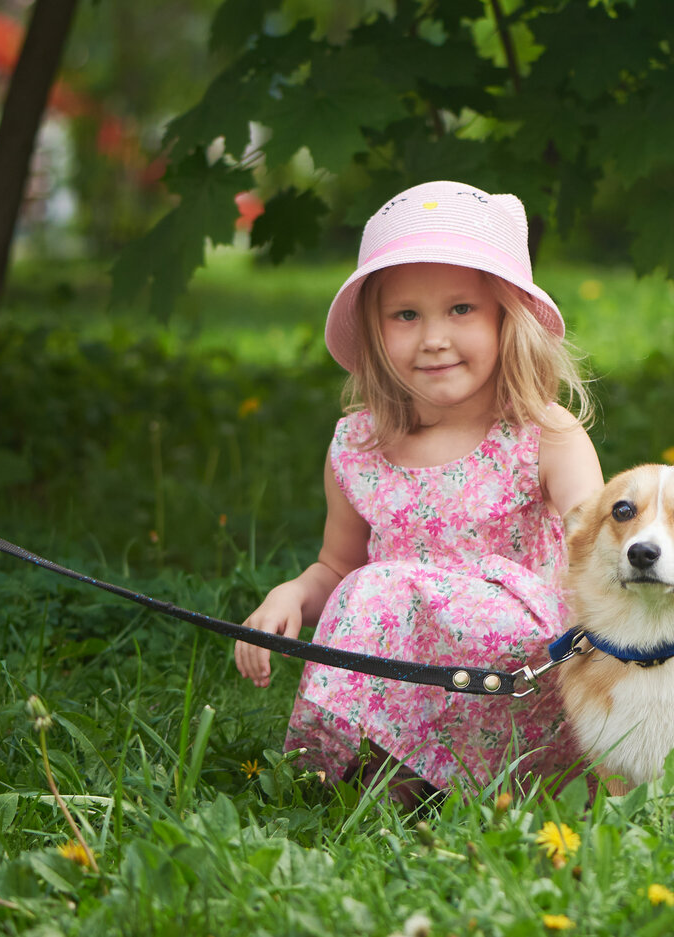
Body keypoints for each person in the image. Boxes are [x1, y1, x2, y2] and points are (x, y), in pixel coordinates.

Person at [235, 180, 604, 802]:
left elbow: (600, 545)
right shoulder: (358, 449)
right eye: (406, 315)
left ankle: (494, 775)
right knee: (371, 590)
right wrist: (295, 594)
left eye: (461, 310)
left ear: (504, 318)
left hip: (521, 674)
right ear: (377, 331)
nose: (434, 337)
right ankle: (385, 773)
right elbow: (338, 567)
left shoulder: (542, 434)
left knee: (381, 590)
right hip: (412, 678)